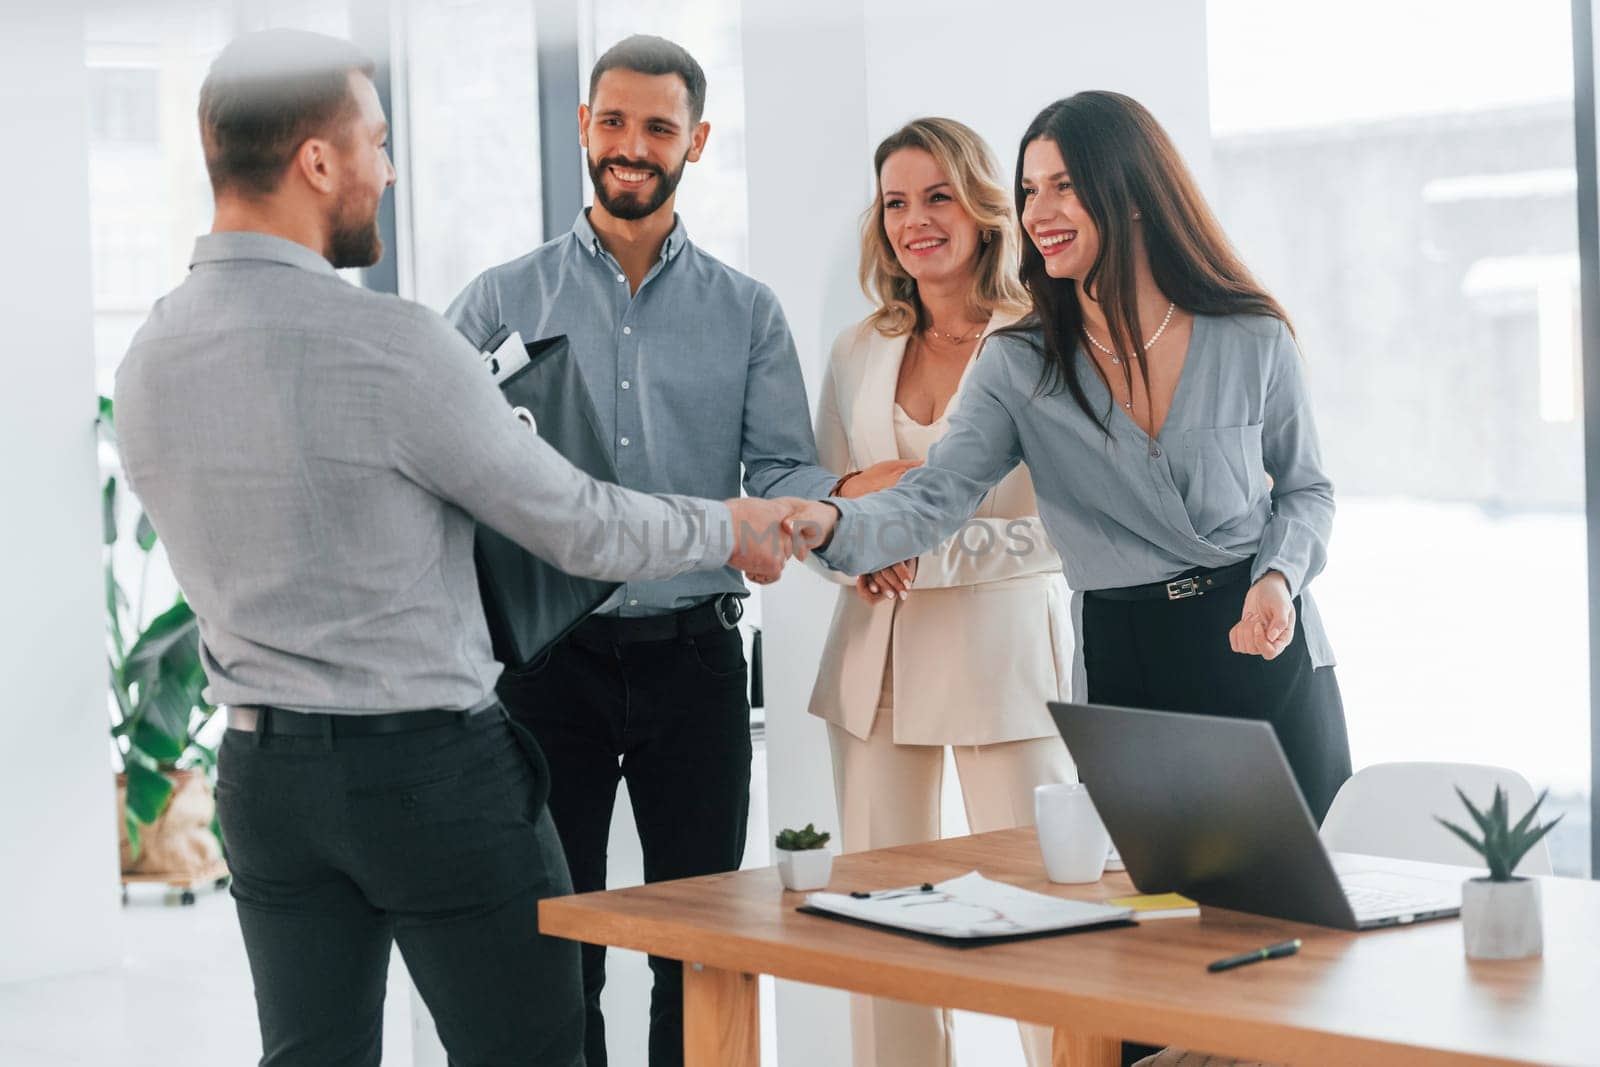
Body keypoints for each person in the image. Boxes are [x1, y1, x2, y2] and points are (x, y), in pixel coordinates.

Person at [113, 30, 807, 1067]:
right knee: (534, 1044)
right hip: (430, 769)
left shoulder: (147, 355)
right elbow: (573, 519)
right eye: (378, 141)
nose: (387, 169)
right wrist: (727, 524)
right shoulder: (394, 343)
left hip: (262, 774)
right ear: (317, 160)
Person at [444, 34, 894, 1067]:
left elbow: (782, 470)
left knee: (701, 943)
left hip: (695, 661)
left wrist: (841, 514)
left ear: (695, 139)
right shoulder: (495, 301)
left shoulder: (745, 311)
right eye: (612, 121)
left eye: (656, 127)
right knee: (563, 943)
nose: (630, 146)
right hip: (547, 668)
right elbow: (447, 473)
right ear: (583, 127)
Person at [797, 85, 1353, 905]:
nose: (1039, 210)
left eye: (1062, 185)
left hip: (1261, 640)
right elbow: (938, 494)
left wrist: (1277, 580)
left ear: (1128, 192)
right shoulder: (1020, 363)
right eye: (1028, 190)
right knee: (1148, 939)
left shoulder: (1252, 335)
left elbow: (1306, 491)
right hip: (1127, 656)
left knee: (1309, 937)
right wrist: (820, 520)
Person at [809, 117, 1074, 1067]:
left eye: (936, 197)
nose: (915, 220)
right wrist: (851, 533)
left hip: (1005, 666)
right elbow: (820, 497)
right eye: (895, 203)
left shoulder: (1044, 342)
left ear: (980, 205)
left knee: (1039, 925)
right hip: (874, 665)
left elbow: (1066, 527)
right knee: (883, 939)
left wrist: (920, 544)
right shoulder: (855, 348)